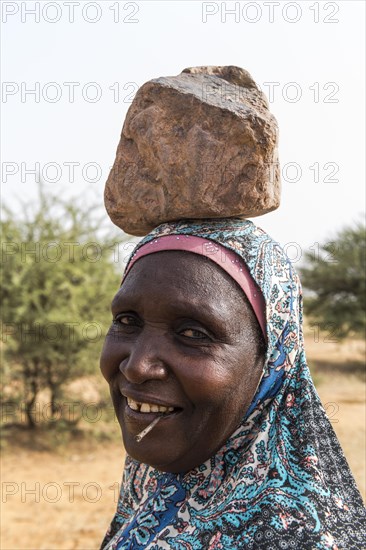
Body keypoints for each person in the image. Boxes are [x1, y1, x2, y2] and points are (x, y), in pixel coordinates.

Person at [100, 218, 365, 549]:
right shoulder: (156, 482)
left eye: (193, 333)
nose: (137, 366)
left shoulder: (292, 537)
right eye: (127, 321)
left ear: (271, 362)